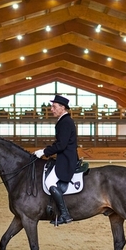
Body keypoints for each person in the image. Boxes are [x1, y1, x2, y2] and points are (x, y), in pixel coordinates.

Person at [33, 95, 77, 225]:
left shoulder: (65, 122)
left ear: (62, 108)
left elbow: (61, 145)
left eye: (54, 107)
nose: (51, 109)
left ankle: (65, 214)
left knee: (49, 181)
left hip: (66, 159)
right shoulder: (63, 121)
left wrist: (44, 152)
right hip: (63, 157)